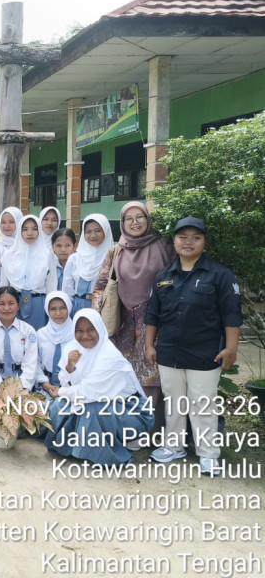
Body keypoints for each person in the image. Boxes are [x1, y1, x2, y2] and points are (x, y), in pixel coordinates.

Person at [145, 217, 242, 475]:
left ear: (204, 242)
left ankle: (208, 454)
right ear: (174, 241)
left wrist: (231, 348)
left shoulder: (220, 275)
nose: (188, 242)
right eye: (182, 237)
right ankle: (173, 447)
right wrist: (149, 345)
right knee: (174, 402)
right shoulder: (163, 276)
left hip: (205, 352)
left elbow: (231, 314)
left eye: (196, 237)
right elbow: (152, 314)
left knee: (202, 403)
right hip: (169, 351)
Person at [93, 202, 174, 416]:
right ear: (122, 222)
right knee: (124, 374)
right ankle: (128, 425)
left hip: (156, 321)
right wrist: (98, 321)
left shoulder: (164, 246)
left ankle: (151, 428)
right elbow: (100, 286)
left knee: (151, 374)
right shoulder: (116, 251)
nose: (135, 222)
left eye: (140, 217)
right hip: (123, 322)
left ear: (148, 220)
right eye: (129, 218)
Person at [45, 309, 153, 465]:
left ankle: (116, 447)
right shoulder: (73, 348)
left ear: (100, 329)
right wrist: (70, 367)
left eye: (90, 330)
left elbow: (89, 392)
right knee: (61, 404)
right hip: (99, 401)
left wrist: (61, 392)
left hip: (132, 411)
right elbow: (69, 384)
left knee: (92, 408)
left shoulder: (109, 355)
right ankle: (70, 445)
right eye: (79, 331)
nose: (85, 335)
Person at [0, 287, 39, 403]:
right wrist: (2, 390)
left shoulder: (28, 331)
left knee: (24, 410)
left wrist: (22, 389)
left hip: (20, 380)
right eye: (1, 304)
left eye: (11, 303)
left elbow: (30, 363)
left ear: (18, 305)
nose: (6, 308)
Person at [0, 214, 50, 330]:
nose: (30, 233)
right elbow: (4, 285)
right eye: (25, 229)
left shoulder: (47, 255)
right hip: (13, 305)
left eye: (34, 229)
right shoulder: (9, 255)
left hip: (38, 304)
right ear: (20, 231)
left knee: (36, 339)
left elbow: (51, 285)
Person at [63, 214, 112, 316]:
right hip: (76, 308)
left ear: (106, 231)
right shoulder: (75, 259)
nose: (93, 235)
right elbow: (67, 292)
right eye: (88, 232)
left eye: (98, 230)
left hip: (103, 309)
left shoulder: (112, 259)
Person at [36, 291, 74, 398]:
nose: (58, 313)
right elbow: (35, 362)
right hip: (45, 385)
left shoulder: (77, 335)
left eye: (62, 308)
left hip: (72, 386)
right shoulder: (40, 334)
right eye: (53, 309)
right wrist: (45, 384)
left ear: (69, 308)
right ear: (47, 311)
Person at [46, 229, 76, 293]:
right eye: (58, 246)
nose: (63, 250)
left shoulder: (78, 265)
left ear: (74, 246)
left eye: (67, 245)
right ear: (52, 246)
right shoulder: (47, 265)